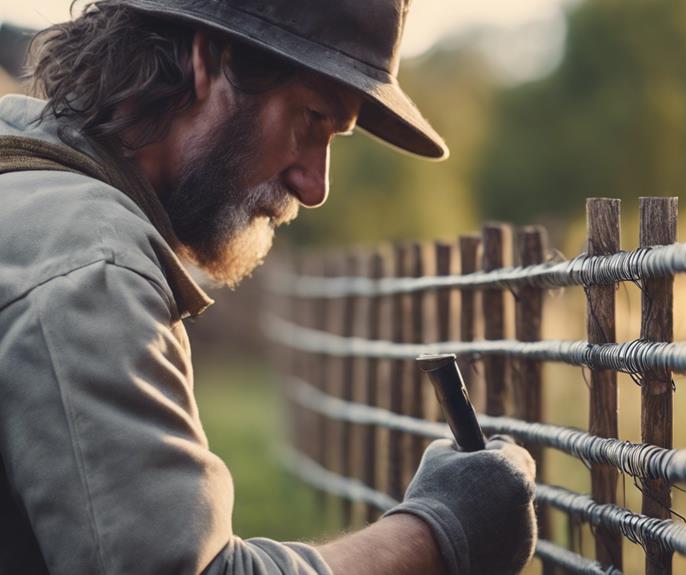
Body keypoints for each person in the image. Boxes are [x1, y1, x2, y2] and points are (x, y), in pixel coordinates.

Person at [0, 1, 537, 574]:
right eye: (311, 119)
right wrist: (438, 531)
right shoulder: (90, 266)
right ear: (211, 61)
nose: (315, 186)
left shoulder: (28, 190)